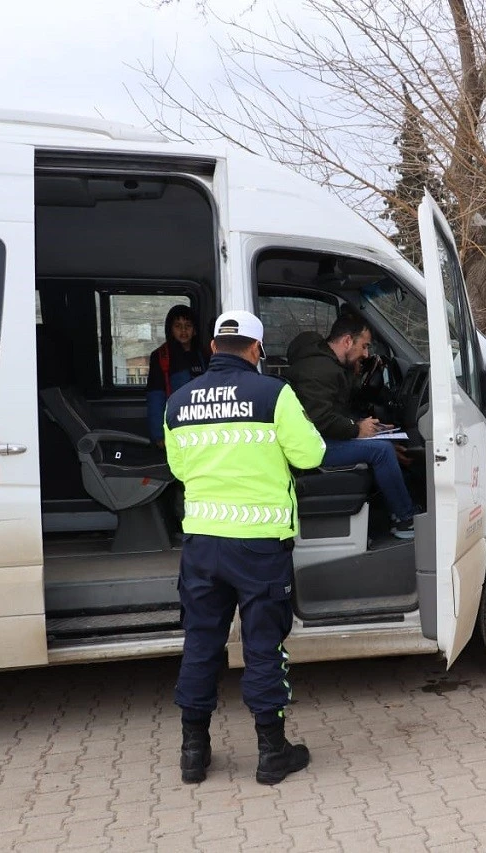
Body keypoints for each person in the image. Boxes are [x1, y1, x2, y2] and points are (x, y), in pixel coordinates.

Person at [164, 310, 326, 786]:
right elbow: (311, 454)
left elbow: (178, 468)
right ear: (256, 351)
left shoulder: (178, 401)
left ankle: (193, 753)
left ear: (213, 347)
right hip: (258, 547)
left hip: (202, 546)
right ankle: (271, 754)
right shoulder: (274, 394)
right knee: (262, 647)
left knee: (201, 643)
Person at [285, 310, 416, 540]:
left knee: (382, 442)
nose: (365, 354)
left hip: (319, 438)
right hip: (315, 446)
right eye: (364, 346)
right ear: (347, 341)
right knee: (383, 452)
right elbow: (321, 418)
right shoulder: (319, 369)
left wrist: (366, 426)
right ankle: (405, 520)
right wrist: (357, 429)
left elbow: (336, 407)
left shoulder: (325, 363)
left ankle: (397, 509)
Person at [147, 304, 207, 448]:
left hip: (203, 425)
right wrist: (159, 434)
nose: (183, 330)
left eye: (188, 325)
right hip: (176, 426)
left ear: (195, 330)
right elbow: (156, 397)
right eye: (178, 326)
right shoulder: (161, 356)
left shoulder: (204, 355)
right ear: (170, 329)